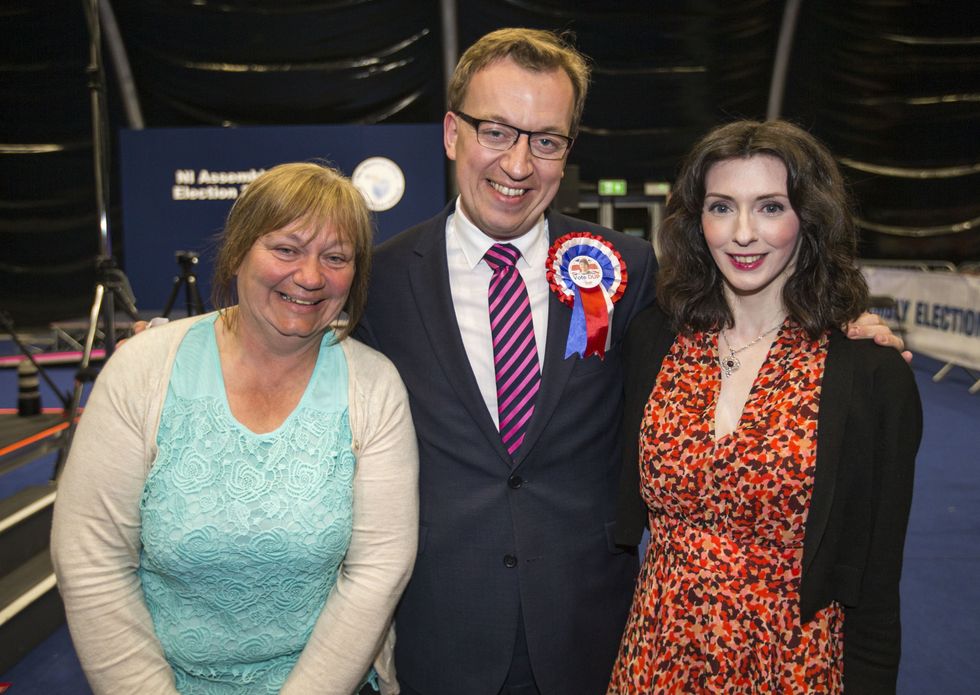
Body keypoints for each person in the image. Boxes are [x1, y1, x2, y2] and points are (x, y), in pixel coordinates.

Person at [356, 30, 906, 695]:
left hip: (594, 639)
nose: (519, 164)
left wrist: (845, 325)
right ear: (451, 132)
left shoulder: (628, 271)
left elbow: (749, 313)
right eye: (496, 131)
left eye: (547, 139)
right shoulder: (380, 284)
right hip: (443, 635)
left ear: (568, 151)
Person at [51, 162, 419, 695]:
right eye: (287, 249)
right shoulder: (143, 370)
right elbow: (91, 559)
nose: (311, 276)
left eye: (335, 257)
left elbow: (378, 569)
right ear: (240, 251)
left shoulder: (374, 387)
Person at [608, 120, 922, 694]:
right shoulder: (655, 338)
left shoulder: (869, 374)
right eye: (722, 207)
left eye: (771, 207)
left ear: (810, 217)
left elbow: (876, 583)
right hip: (656, 655)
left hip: (791, 663)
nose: (743, 233)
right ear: (696, 220)